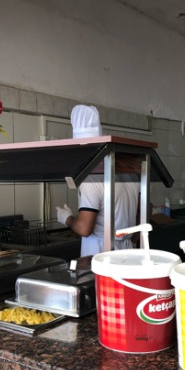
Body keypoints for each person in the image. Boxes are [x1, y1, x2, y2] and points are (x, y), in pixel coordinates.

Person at [56, 105, 140, 256]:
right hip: (127, 250)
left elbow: (84, 228)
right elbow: (146, 209)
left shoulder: (91, 179)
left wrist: (67, 218)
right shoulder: (130, 172)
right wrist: (131, 239)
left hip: (100, 252)